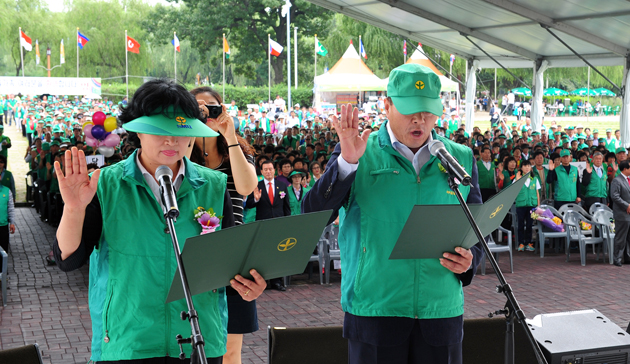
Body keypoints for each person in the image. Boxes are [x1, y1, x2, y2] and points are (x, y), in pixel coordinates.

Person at [52, 79, 266, 363]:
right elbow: (68, 258)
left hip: (200, 341)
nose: (171, 140)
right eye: (159, 130)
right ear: (137, 130)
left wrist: (249, 285)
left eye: (180, 130)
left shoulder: (213, 186)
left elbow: (228, 263)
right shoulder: (106, 185)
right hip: (128, 341)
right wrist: (74, 209)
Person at [303, 64, 483, 364]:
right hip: (375, 310)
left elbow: (477, 227)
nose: (419, 120)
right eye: (410, 110)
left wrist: (470, 261)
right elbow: (312, 214)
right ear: (386, 105)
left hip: (440, 311)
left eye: (428, 112)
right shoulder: (358, 151)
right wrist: (347, 162)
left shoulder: (459, 158)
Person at [188, 87, 259, 364]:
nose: (206, 113)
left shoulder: (238, 149)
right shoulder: (182, 150)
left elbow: (247, 186)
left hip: (234, 256)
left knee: (230, 350)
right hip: (193, 252)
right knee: (196, 345)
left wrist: (228, 136)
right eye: (198, 108)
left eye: (211, 108)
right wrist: (191, 131)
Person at [245, 160, 291, 291]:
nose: (268, 171)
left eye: (270, 169)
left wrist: (287, 225)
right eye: (265, 169)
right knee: (264, 254)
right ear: (262, 171)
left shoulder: (282, 186)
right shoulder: (256, 185)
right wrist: (256, 199)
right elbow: (249, 204)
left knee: (278, 253)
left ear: (274, 170)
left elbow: (286, 208)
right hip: (263, 225)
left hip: (279, 225)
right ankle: (263, 281)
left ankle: (277, 281)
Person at [514, 160, 540, 252]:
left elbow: (537, 193)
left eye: (528, 166)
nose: (527, 167)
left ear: (531, 168)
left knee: (530, 224)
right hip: (521, 205)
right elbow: (514, 190)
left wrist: (538, 206)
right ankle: (521, 243)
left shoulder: (535, 179)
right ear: (521, 168)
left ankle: (529, 243)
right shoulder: (517, 178)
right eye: (524, 166)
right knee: (520, 224)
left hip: (532, 205)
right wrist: (517, 180)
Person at [610, 160, 630, 267]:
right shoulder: (617, 180)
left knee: (628, 237)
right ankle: (617, 258)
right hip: (622, 213)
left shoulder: (628, 180)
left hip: (629, 213)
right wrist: (626, 205)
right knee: (620, 237)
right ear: (625, 169)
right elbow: (615, 196)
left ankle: (627, 257)